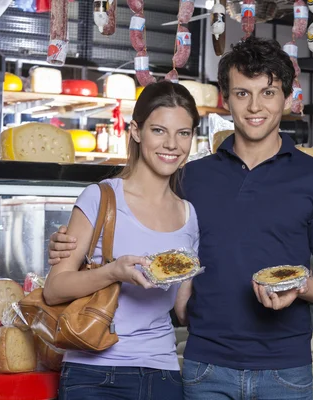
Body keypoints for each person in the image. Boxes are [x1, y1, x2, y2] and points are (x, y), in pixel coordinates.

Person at [49, 37, 313, 400]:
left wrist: (297, 287)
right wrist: (70, 248)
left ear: (287, 98)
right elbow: (161, 241)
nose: (255, 106)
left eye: (268, 92)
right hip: (205, 366)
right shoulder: (190, 177)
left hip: (285, 368)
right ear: (226, 99)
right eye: (242, 93)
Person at [43, 81, 200, 400]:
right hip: (94, 374)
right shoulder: (100, 197)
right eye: (159, 130)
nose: (171, 144)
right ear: (136, 131)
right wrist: (113, 272)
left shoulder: (188, 214)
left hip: (163, 374)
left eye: (183, 133)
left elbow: (183, 308)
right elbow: (54, 288)